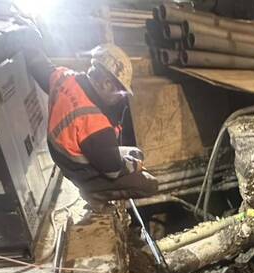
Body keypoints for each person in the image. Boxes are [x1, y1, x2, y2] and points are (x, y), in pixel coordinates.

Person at [25, 41, 159, 204]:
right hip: (78, 169)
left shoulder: (65, 77)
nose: (121, 98)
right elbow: (113, 171)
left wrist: (28, 39)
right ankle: (92, 192)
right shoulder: (96, 123)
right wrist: (134, 167)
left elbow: (40, 65)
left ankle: (102, 180)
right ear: (106, 84)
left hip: (62, 152)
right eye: (121, 92)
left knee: (136, 153)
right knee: (148, 184)